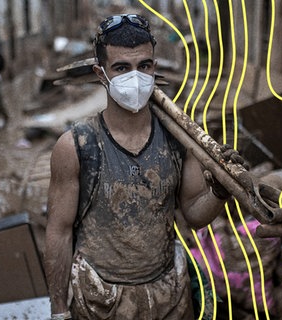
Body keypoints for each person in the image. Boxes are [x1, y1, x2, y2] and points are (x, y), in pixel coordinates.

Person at [44, 14, 240, 320]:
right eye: (121, 68)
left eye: (144, 66)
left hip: (169, 296)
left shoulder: (178, 140)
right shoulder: (77, 146)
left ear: (154, 68)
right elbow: (59, 232)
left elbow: (194, 214)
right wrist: (59, 311)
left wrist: (220, 189)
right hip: (100, 301)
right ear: (101, 73)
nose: (135, 78)